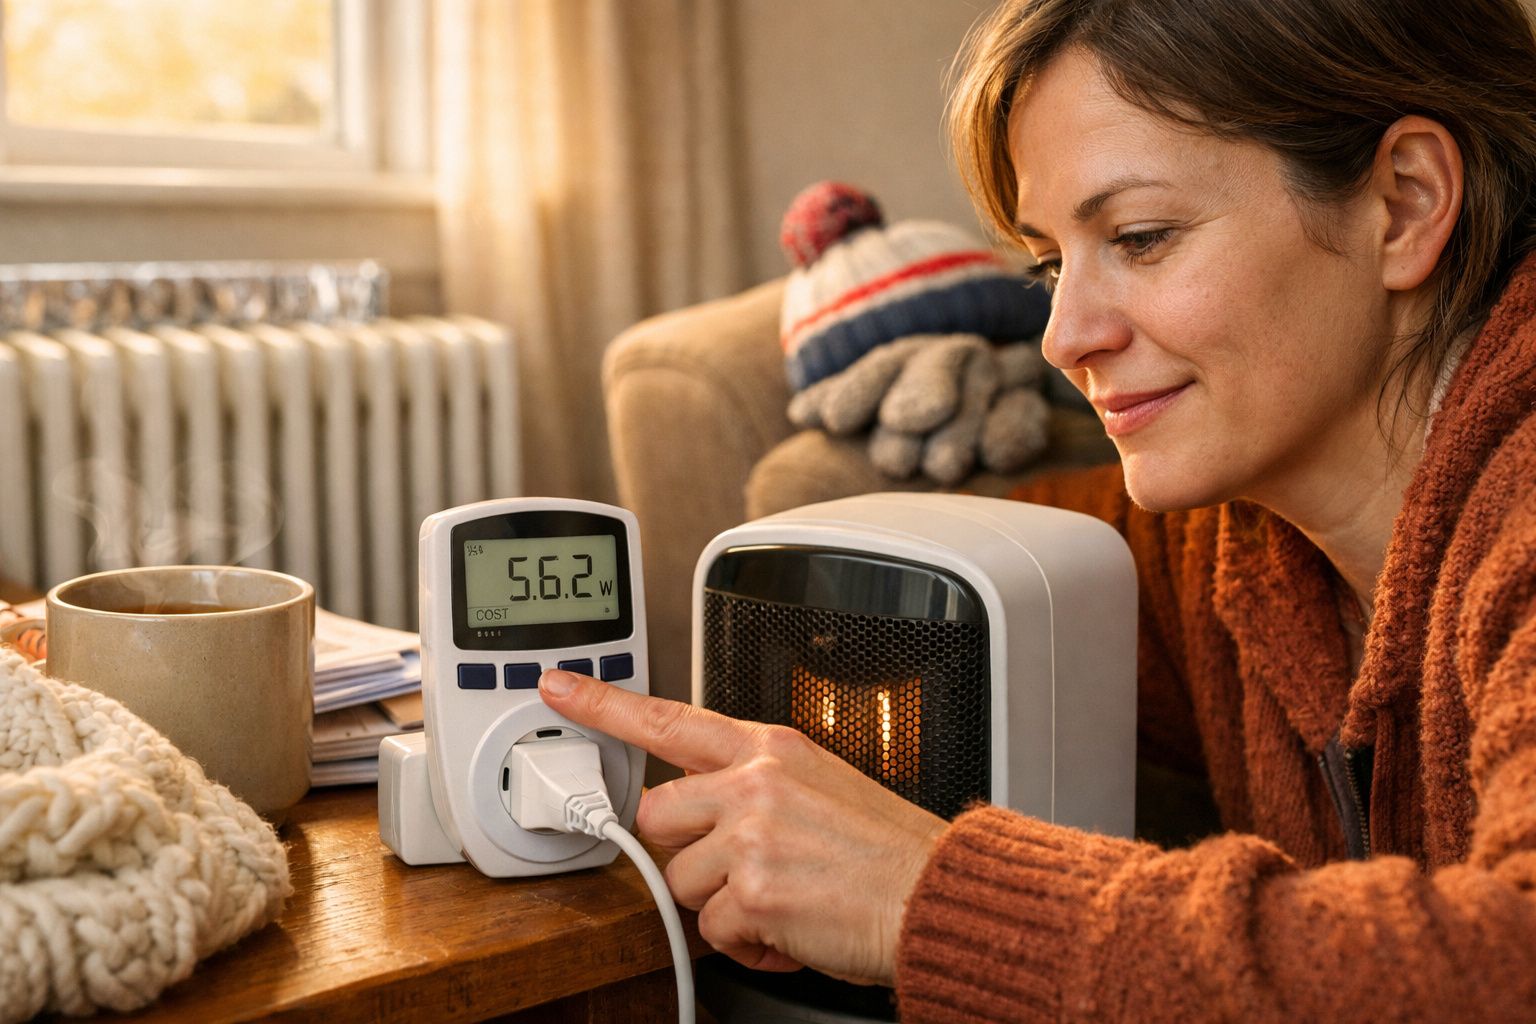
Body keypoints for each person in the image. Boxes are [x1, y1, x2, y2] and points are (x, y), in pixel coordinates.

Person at [540, 0, 1536, 1018]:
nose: (1063, 336)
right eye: (1051, 264)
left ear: (1405, 204)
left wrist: (925, 891)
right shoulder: (1212, 537)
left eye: (1142, 236)